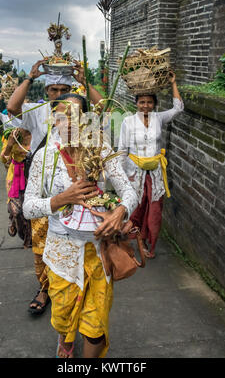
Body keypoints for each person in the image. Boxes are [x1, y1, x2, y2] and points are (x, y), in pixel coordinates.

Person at [23, 94, 138, 358]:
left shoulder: (100, 150)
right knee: (63, 318)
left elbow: (129, 193)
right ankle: (65, 343)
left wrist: (119, 211)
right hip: (61, 253)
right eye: (62, 115)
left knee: (95, 326)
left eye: (76, 115)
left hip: (98, 251)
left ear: (87, 118)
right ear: (54, 119)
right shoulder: (45, 156)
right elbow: (29, 207)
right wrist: (61, 199)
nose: (69, 121)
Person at [7, 60, 104, 315]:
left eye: (64, 89)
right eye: (53, 90)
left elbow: (103, 108)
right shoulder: (39, 110)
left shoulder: (82, 116)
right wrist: (29, 77)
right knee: (41, 245)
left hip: (77, 183)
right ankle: (44, 288)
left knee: (77, 243)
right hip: (44, 184)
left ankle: (77, 289)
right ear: (46, 93)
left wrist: (86, 82)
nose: (59, 95)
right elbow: (11, 107)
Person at [118, 73, 184, 259]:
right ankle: (132, 242)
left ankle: (149, 243)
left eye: (149, 102)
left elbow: (178, 108)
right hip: (134, 172)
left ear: (154, 104)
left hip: (154, 173)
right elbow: (122, 149)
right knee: (135, 208)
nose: (145, 106)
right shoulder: (128, 122)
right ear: (136, 103)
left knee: (154, 210)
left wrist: (173, 83)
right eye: (142, 102)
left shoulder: (158, 118)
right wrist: (123, 176)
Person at [0, 127, 32, 247]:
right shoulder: (13, 134)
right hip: (15, 178)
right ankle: (13, 218)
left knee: (29, 210)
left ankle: (28, 238)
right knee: (17, 211)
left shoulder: (37, 130)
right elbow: (3, 159)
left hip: (31, 176)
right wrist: (10, 144)